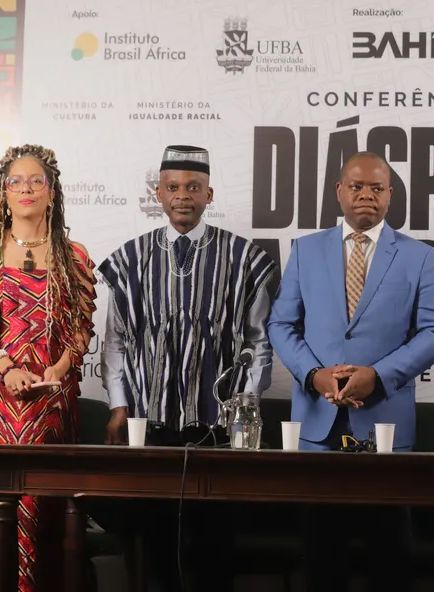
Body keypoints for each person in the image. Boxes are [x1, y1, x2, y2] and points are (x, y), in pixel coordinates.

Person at [268, 151, 434, 591]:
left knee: (389, 563)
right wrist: (314, 374)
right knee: (320, 562)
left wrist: (380, 374)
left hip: (386, 427)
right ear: (339, 191)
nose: (366, 195)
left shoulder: (418, 256)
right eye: (356, 186)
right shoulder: (306, 249)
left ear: (390, 195)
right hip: (317, 428)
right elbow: (280, 323)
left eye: (376, 187)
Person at [97, 144, 278, 591]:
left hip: (219, 428)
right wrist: (118, 406)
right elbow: (116, 341)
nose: (183, 196)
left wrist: (246, 412)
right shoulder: (131, 260)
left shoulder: (242, 259)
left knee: (217, 546)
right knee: (157, 542)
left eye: (193, 187)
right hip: (150, 424)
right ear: (158, 193)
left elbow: (259, 342)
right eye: (173, 187)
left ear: (209, 193)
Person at [0, 144, 97, 592]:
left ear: (52, 192)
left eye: (36, 181)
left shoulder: (75, 256)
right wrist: (5, 366)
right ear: (3, 194)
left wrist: (59, 369)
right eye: (16, 182)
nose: (26, 188)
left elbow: (81, 330)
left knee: (43, 501)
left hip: (49, 401)